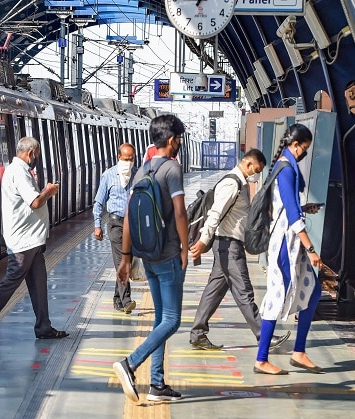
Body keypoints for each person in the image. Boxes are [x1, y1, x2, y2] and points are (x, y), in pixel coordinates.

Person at [112, 114, 189, 402]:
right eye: (179, 139)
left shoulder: (142, 170)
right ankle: (130, 363)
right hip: (167, 254)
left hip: (146, 255)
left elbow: (130, 217)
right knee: (172, 321)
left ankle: (157, 384)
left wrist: (126, 257)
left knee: (160, 319)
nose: (179, 143)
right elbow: (180, 212)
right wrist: (185, 247)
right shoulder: (171, 169)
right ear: (172, 140)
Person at [188, 149, 290, 351]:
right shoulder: (232, 183)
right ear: (248, 163)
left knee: (213, 292)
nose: (257, 174)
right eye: (257, 170)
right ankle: (264, 337)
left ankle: (198, 334)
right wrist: (203, 239)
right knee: (244, 292)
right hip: (228, 245)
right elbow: (215, 214)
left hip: (228, 245)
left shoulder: (240, 183)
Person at [0, 137, 68, 342]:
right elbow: (35, 202)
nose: (36, 159)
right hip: (23, 240)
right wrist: (48, 191)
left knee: (39, 282)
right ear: (31, 153)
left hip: (31, 239)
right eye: (36, 156)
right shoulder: (19, 172)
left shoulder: (18, 170)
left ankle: (44, 326)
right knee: (11, 281)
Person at [254, 123, 324, 375]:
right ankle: (261, 359)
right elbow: (292, 215)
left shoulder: (286, 166)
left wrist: (305, 210)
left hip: (293, 242)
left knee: (313, 290)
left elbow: (288, 207)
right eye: (304, 148)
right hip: (285, 243)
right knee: (276, 294)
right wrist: (312, 248)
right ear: (295, 145)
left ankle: (299, 352)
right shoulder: (285, 169)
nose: (304, 153)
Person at [93, 142, 138, 313]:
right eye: (126, 159)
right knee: (123, 261)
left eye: (131, 159)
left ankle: (117, 299)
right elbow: (99, 202)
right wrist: (97, 225)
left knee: (126, 261)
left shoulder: (137, 176)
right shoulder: (108, 176)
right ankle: (126, 301)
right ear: (119, 157)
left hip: (133, 224)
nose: (129, 162)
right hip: (116, 224)